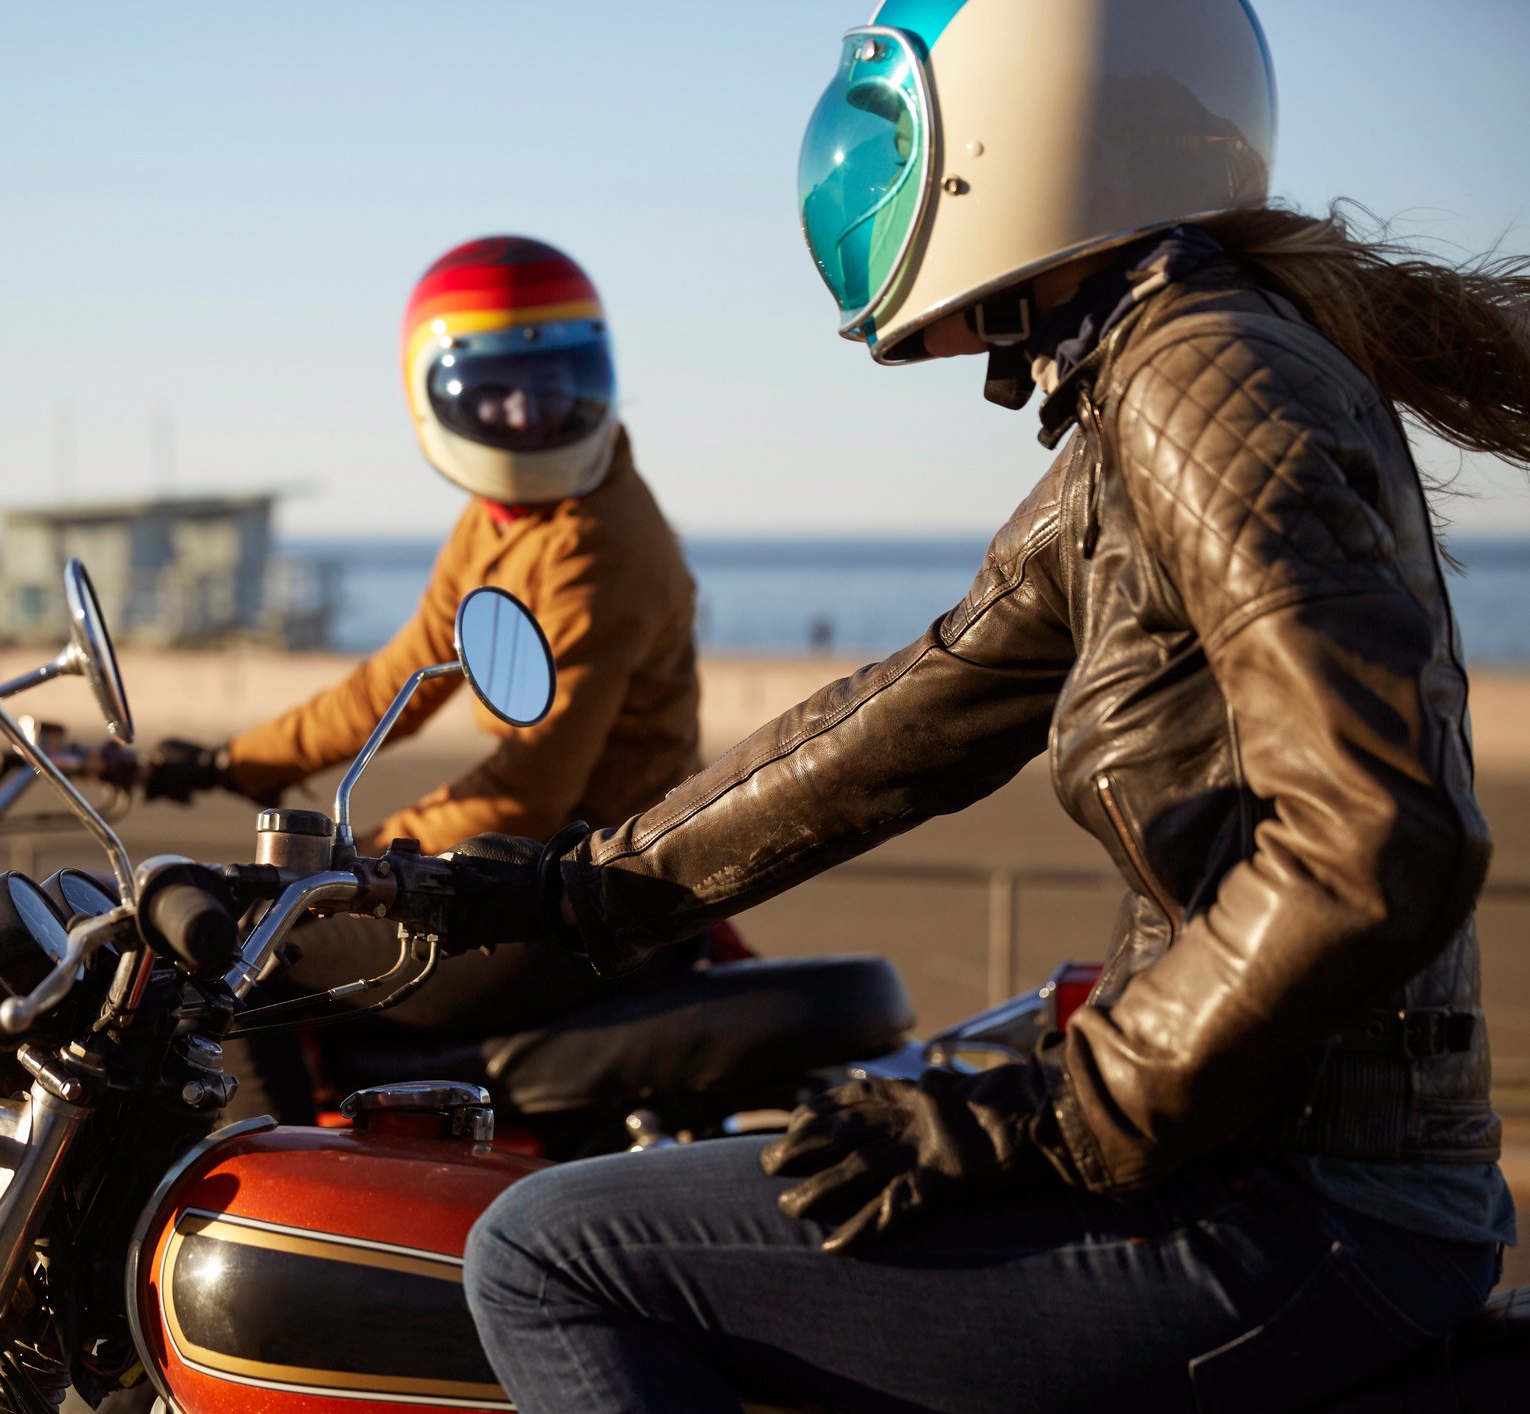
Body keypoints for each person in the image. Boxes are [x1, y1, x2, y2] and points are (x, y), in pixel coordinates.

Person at [444, 1, 1530, 1408]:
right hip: (1294, 1164)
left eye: (898, 136)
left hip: (1295, 1200)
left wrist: (1056, 1116)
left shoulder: (1200, 380)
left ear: (1024, 136)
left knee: (544, 1250)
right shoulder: (1164, 371)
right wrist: (571, 893)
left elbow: (1376, 837)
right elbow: (902, 719)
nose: (861, 180)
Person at [143, 236, 706, 1067]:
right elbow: (401, 680)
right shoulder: (505, 516)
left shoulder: (598, 543)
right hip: (539, 880)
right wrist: (237, 761)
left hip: (586, 903)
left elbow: (524, 792)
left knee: (228, 967)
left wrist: (350, 861)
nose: (526, 415)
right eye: (492, 390)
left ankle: (248, 1189)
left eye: (552, 383)